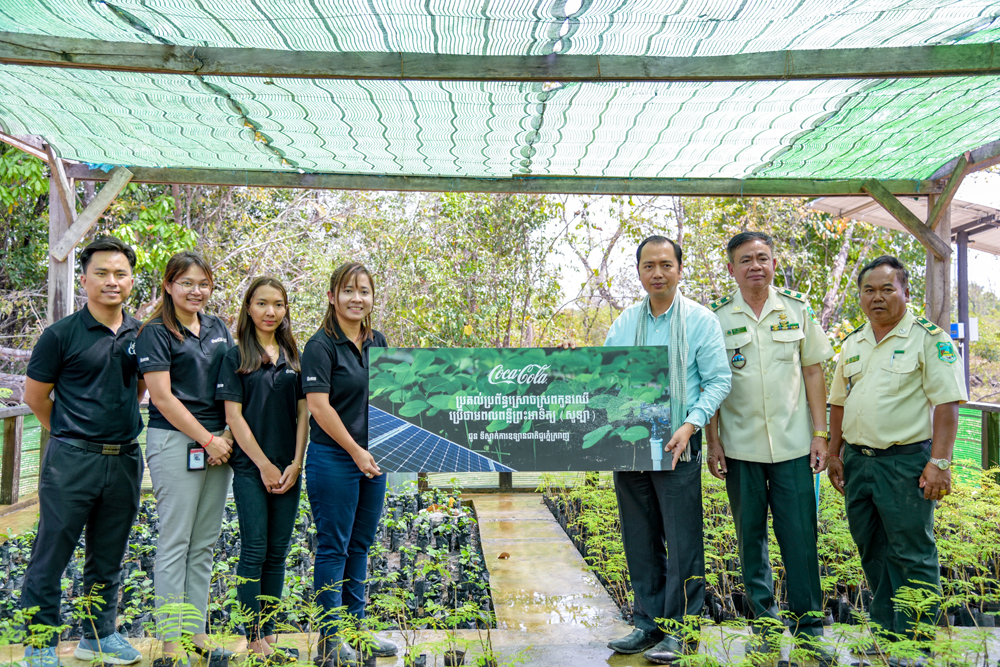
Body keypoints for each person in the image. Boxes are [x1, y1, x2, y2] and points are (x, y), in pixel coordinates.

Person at [705, 232, 836, 663]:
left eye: (763, 258)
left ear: (775, 263)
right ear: (731, 269)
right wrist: (714, 441)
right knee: (750, 539)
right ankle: (763, 621)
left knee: (799, 536)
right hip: (740, 448)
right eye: (746, 260)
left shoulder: (797, 310)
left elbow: (814, 372)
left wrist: (822, 434)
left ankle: (809, 624)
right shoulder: (718, 318)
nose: (755, 266)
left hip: (794, 446)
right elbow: (712, 385)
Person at [828, 256, 966, 653]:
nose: (877, 297)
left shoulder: (927, 337)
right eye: (869, 290)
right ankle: (887, 632)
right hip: (858, 462)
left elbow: (947, 404)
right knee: (872, 547)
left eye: (888, 289)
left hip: (904, 463)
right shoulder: (853, 342)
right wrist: (835, 453)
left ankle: (917, 643)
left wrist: (939, 462)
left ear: (905, 292)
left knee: (911, 552)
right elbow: (839, 403)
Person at [603, 236, 731, 665]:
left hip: (678, 446)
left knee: (682, 542)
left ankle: (681, 631)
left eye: (665, 264)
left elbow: (718, 381)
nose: (657, 273)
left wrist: (691, 425)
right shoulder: (624, 322)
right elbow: (605, 378)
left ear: (680, 268)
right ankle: (647, 623)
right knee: (639, 538)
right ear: (638, 272)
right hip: (631, 447)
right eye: (648, 266)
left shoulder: (700, 320)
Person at [21, 236, 146, 666]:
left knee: (108, 555)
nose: (112, 281)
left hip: (126, 459)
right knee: (51, 551)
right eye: (102, 273)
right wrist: (72, 436)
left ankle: (98, 635)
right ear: (84, 278)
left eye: (120, 274)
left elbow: (143, 388)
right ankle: (40, 643)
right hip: (71, 461)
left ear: (131, 280)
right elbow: (37, 397)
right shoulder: (60, 335)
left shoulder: (141, 334)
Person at [136, 251, 235, 663]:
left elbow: (235, 384)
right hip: (175, 441)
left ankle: (197, 630)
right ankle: (170, 639)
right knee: (175, 541)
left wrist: (225, 436)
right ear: (168, 285)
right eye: (187, 283)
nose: (196, 291)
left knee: (205, 543)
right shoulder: (155, 332)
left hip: (220, 445)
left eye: (203, 283)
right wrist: (207, 440)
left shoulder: (218, 328)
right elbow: (161, 396)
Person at [301, 262, 397, 665]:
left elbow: (392, 396)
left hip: (374, 460)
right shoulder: (320, 346)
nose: (357, 298)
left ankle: (357, 631)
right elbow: (319, 408)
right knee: (333, 549)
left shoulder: (378, 341)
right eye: (348, 291)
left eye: (364, 291)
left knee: (360, 546)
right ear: (331, 296)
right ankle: (329, 639)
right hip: (335, 459)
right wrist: (356, 452)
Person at [216, 277, 307, 661]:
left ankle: (269, 633)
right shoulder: (235, 355)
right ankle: (253, 636)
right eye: (262, 303)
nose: (271, 312)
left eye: (279, 304)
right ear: (248, 307)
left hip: (290, 468)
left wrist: (295, 462)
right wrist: (265, 465)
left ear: (286, 310)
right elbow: (233, 417)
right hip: (253, 469)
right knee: (254, 550)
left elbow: (304, 412)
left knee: (279, 552)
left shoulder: (293, 354)